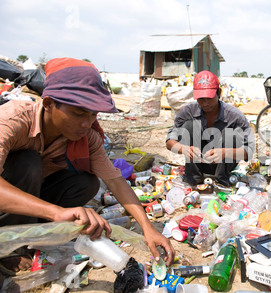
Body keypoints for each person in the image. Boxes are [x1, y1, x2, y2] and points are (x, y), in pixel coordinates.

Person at [0, 57, 175, 274]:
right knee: (28, 163)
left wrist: (148, 229)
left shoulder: (86, 136)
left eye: (93, 114)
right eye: (78, 113)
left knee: (87, 183)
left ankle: (36, 229)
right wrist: (55, 212)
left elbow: (115, 181)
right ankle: (10, 246)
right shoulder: (12, 120)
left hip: (34, 194)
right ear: (49, 104)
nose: (87, 123)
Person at [166, 70, 254, 186]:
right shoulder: (188, 112)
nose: (206, 103)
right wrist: (184, 148)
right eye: (201, 99)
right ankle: (194, 179)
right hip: (199, 164)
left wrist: (225, 153)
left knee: (231, 134)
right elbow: (169, 142)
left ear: (219, 93)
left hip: (224, 165)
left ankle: (221, 181)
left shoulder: (235, 116)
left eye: (209, 98)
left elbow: (249, 151)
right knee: (189, 126)